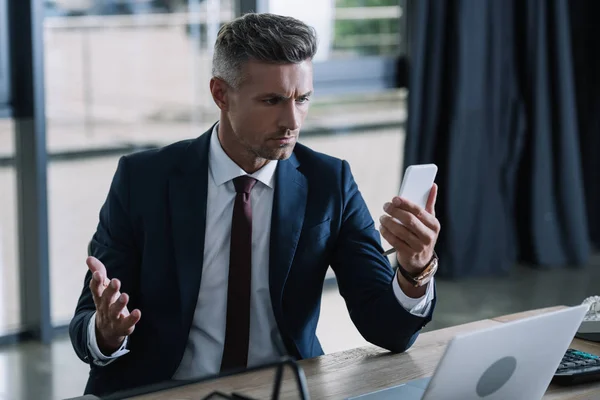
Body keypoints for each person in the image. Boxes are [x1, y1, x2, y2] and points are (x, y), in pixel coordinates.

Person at [69, 12, 441, 397]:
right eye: (272, 100)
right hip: (167, 390)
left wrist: (414, 273)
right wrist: (106, 332)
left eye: (303, 99)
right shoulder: (143, 180)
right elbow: (87, 327)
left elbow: (388, 332)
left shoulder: (330, 183)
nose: (291, 121)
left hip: (281, 389)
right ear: (220, 94)